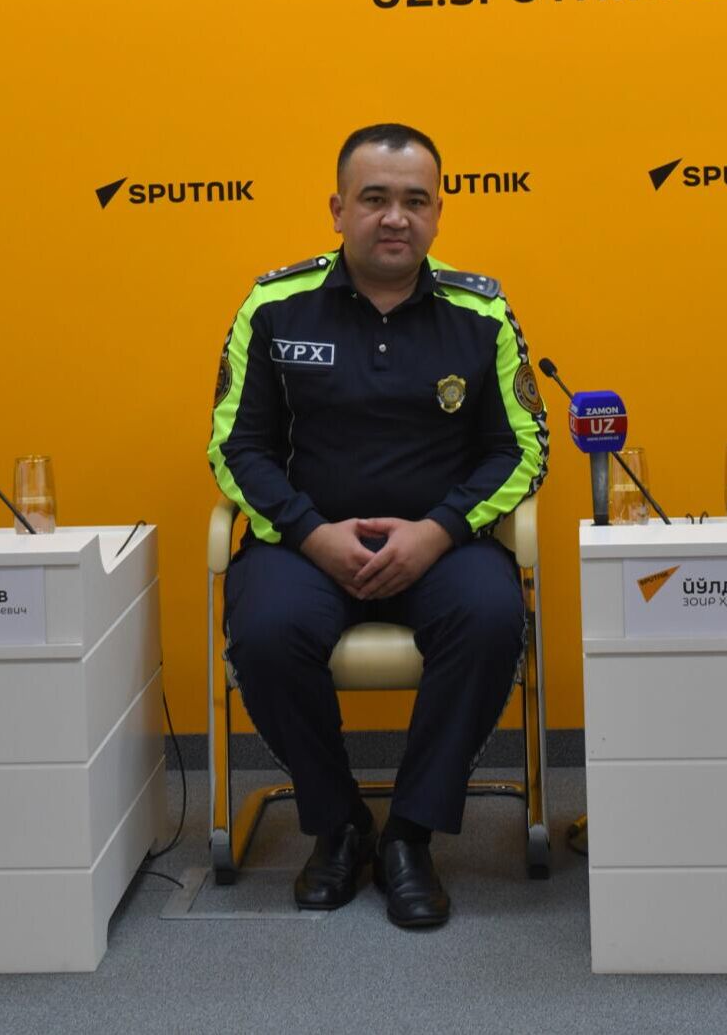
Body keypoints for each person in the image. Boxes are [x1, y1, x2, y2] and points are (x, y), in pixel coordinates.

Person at [207, 123, 548, 928]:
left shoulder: (481, 313)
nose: (396, 217)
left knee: (492, 617)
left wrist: (437, 530)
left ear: (438, 213)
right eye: (375, 199)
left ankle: (411, 836)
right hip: (306, 546)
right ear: (338, 209)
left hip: (441, 547)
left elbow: (523, 447)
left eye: (415, 201)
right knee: (266, 631)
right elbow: (236, 447)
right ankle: (338, 825)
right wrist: (312, 533)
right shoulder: (273, 307)